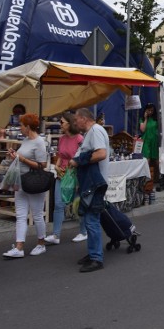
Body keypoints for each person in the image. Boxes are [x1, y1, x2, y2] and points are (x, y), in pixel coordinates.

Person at [2, 113, 50, 258]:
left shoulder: (39, 142)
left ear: (28, 127)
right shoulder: (26, 140)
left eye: (21, 125)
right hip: (21, 181)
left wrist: (20, 158)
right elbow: (23, 158)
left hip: (33, 182)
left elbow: (42, 165)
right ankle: (19, 247)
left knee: (36, 214)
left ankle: (41, 243)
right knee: (21, 215)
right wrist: (15, 156)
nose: (19, 128)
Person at [70, 108, 110, 272]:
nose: (75, 123)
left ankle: (96, 258)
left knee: (91, 220)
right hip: (91, 183)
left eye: (76, 119)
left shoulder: (95, 131)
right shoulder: (91, 132)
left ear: (84, 118)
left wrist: (80, 161)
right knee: (89, 219)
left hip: (95, 184)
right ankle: (94, 252)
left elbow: (101, 153)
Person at [44, 111, 85, 245]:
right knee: (58, 204)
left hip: (75, 176)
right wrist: (56, 166)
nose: (59, 124)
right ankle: (56, 235)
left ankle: (84, 232)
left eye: (62, 122)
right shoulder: (62, 138)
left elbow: (83, 157)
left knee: (78, 204)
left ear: (69, 124)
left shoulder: (79, 139)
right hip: (62, 175)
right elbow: (60, 155)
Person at [139, 102, 160, 204]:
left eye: (151, 110)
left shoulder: (157, 119)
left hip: (154, 141)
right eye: (148, 110)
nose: (150, 112)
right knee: (147, 161)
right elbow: (142, 129)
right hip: (146, 141)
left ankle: (157, 180)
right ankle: (146, 182)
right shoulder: (142, 119)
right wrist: (146, 118)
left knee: (156, 161)